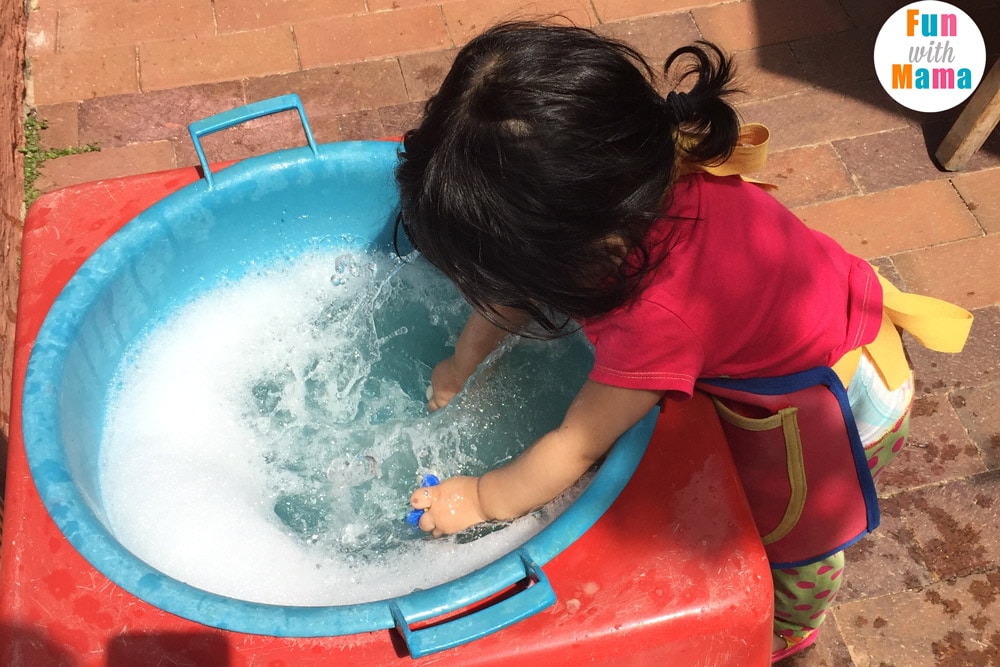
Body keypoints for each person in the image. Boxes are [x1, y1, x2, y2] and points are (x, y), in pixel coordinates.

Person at [394, 20, 969, 663]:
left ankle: (794, 623)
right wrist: (460, 363)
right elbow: (514, 287)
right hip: (826, 303)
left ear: (589, 250)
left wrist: (478, 497)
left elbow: (574, 443)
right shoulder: (635, 172)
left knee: (793, 537)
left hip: (841, 396)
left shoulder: (656, 315)